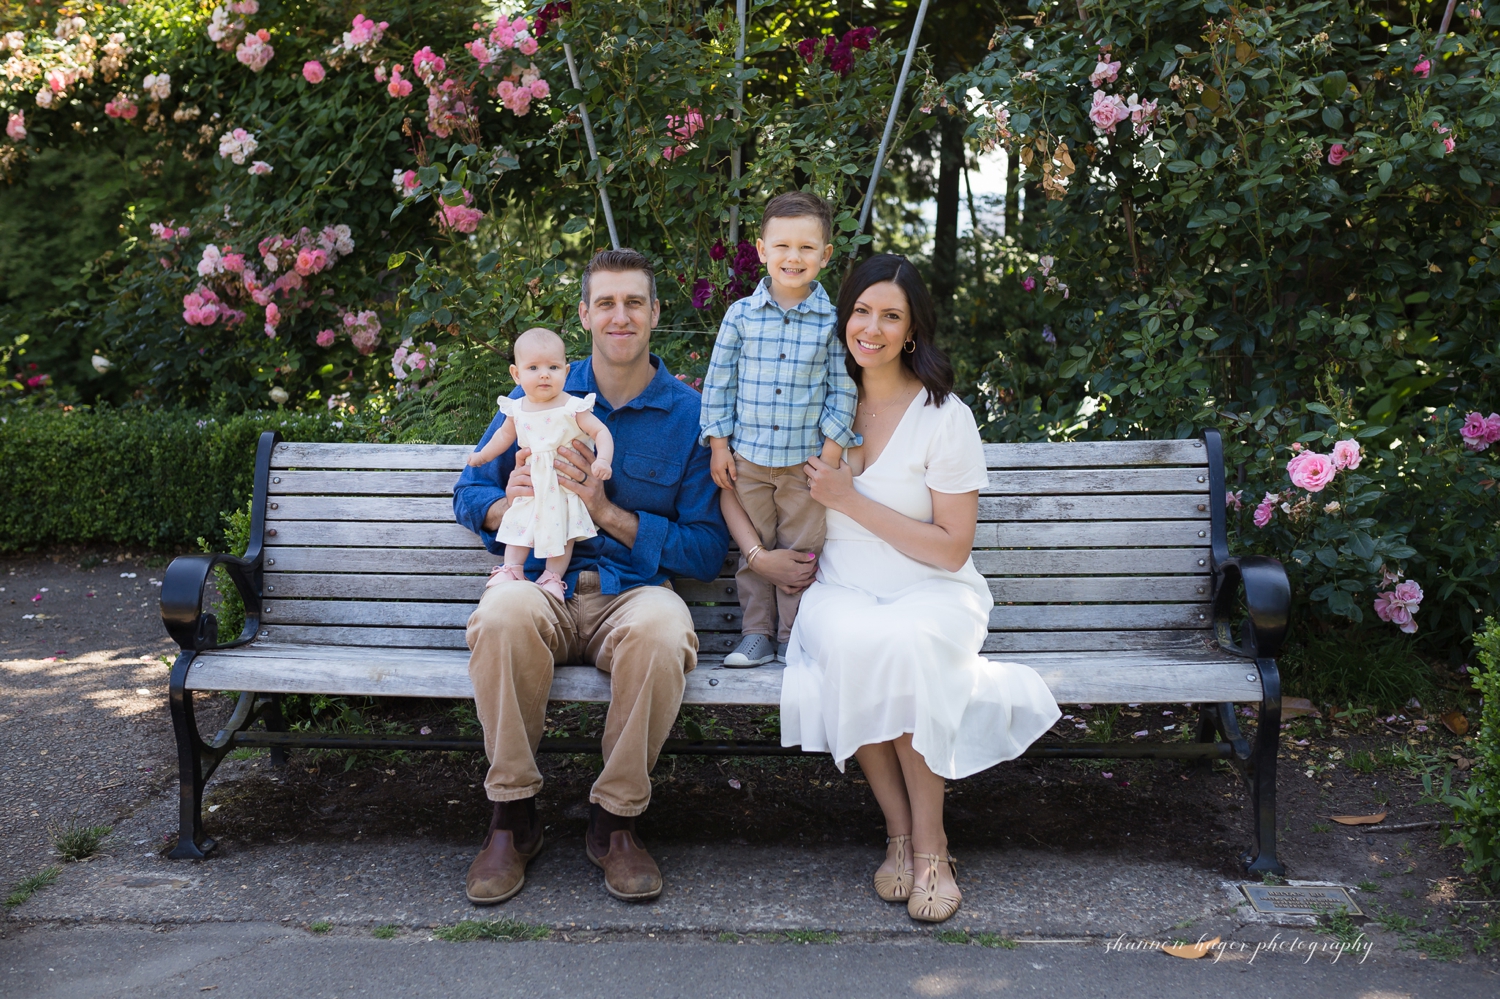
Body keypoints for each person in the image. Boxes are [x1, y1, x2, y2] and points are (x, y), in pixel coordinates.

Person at [780, 254, 1061, 923]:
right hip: (841, 587)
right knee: (853, 643)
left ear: (911, 331)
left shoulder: (944, 416)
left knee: (905, 643)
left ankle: (932, 848)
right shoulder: (820, 402)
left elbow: (951, 545)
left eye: (890, 315)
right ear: (842, 316)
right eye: (861, 310)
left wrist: (848, 498)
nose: (870, 327)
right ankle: (898, 833)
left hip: (933, 588)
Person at [452, 248, 730, 906]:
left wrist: (608, 512)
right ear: (584, 314)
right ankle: (512, 817)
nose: (620, 314)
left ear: (656, 313)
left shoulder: (689, 415)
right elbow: (468, 491)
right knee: (500, 615)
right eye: (605, 301)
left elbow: (704, 548)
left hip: (629, 594)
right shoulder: (542, 389)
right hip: (545, 588)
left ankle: (616, 821)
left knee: (665, 630)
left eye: (635, 301)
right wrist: (504, 497)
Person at [699, 191, 861, 668]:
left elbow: (843, 389)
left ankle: (794, 637)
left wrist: (830, 455)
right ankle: (757, 634)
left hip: (804, 465)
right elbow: (718, 383)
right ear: (763, 249)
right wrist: (719, 445)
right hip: (748, 459)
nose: (794, 257)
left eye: (807, 248)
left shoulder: (834, 322)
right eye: (783, 246)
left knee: (801, 552)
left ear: (826, 255)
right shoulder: (741, 317)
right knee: (755, 551)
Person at [467, 327, 616, 601]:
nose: (544, 374)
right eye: (533, 367)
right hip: (533, 483)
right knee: (519, 524)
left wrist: (603, 459)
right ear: (516, 374)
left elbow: (601, 432)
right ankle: (512, 569)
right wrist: (482, 457)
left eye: (553, 367)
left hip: (562, 484)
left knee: (563, 533)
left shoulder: (573, 407)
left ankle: (553, 578)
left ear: (566, 371)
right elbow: (503, 436)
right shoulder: (517, 408)